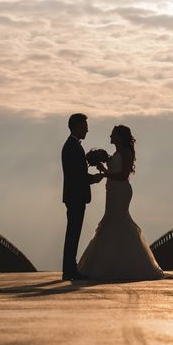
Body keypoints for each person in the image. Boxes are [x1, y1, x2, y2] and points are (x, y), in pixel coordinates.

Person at [78, 125, 164, 280]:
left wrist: (104, 173)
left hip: (121, 191)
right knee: (111, 219)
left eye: (113, 134)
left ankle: (123, 264)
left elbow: (123, 175)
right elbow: (113, 173)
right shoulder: (116, 153)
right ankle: (111, 262)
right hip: (112, 190)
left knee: (118, 219)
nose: (110, 136)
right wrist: (104, 168)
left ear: (120, 137)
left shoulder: (126, 153)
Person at [61, 113, 104, 281]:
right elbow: (76, 175)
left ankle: (70, 268)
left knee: (73, 232)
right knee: (73, 233)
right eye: (85, 126)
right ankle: (69, 270)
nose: (87, 129)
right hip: (75, 196)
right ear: (77, 126)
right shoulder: (72, 146)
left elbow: (77, 173)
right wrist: (93, 178)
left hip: (74, 196)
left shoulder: (73, 145)